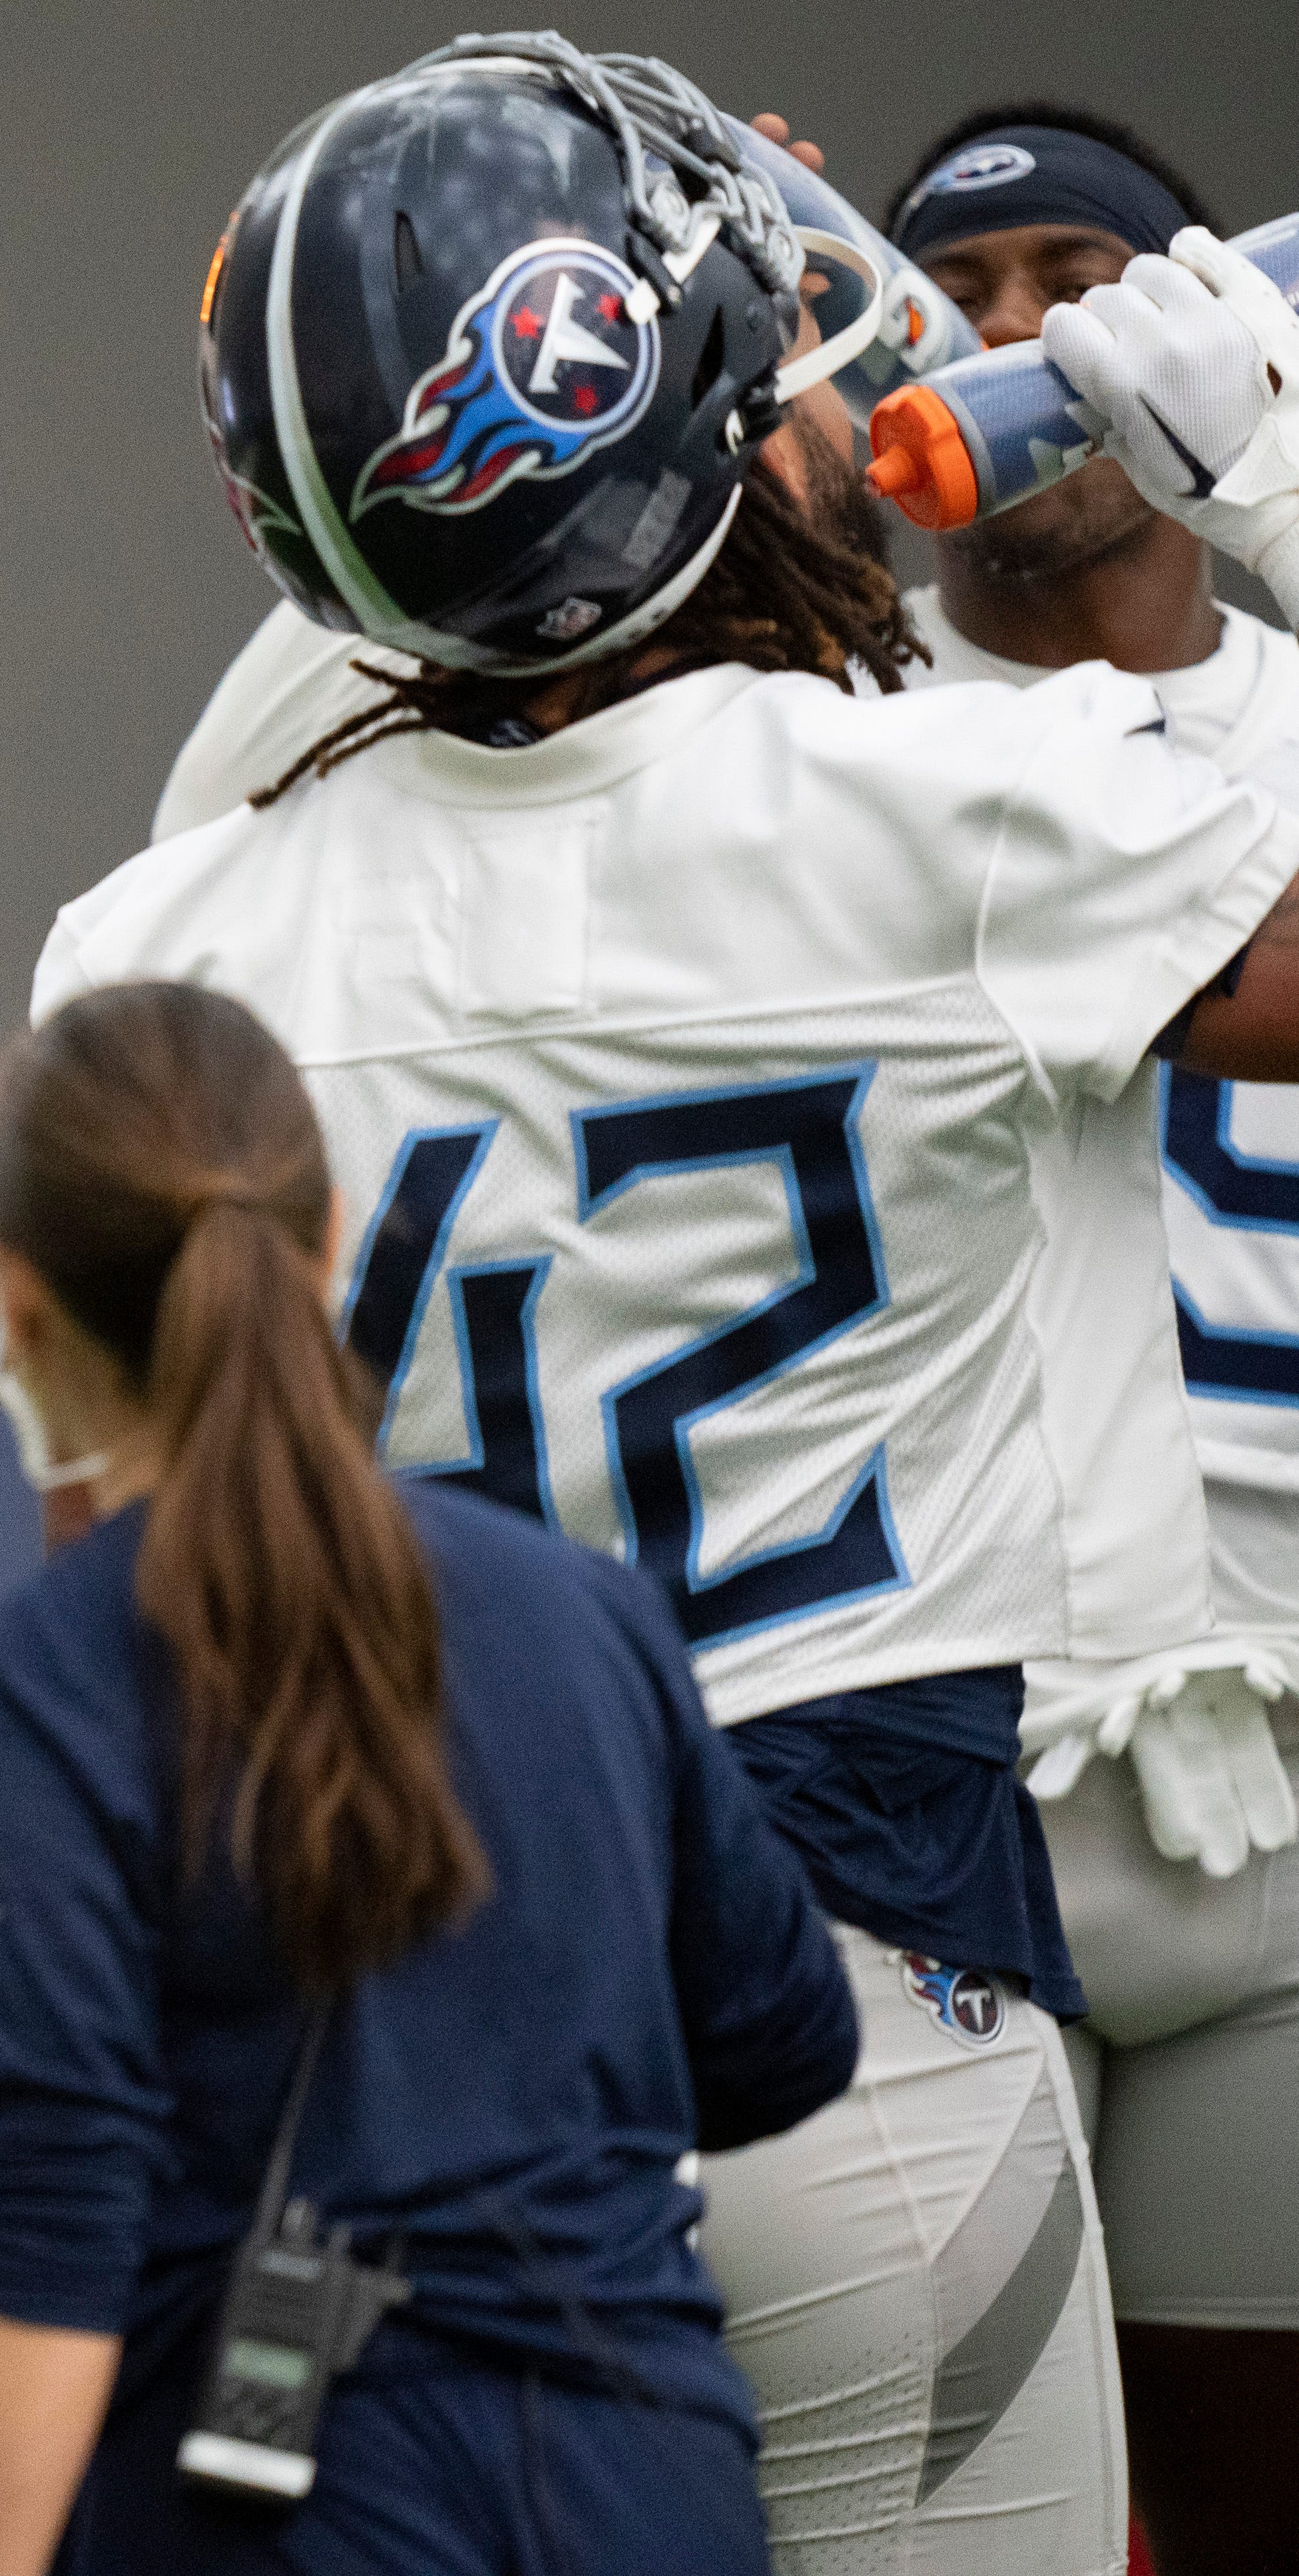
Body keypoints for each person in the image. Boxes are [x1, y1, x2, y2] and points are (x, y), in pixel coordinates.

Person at [41, 35, 1299, 2575]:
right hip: (856, 2035)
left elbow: (107, 1566)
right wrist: (1261, 486)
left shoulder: (147, 942)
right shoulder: (946, 813)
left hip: (343, 2073)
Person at [0, 980, 856, 2574]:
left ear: (12, 1306)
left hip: (277, 2517)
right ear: (331, 1236)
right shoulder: (583, 1611)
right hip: (651, 2488)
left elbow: (41, 2238)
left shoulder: (39, 1691)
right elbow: (779, 2036)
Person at [882, 109, 1299, 2576]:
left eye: (1081, 276)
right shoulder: (806, 720)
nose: (1026, 335)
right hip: (943, 1749)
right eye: (963, 284)